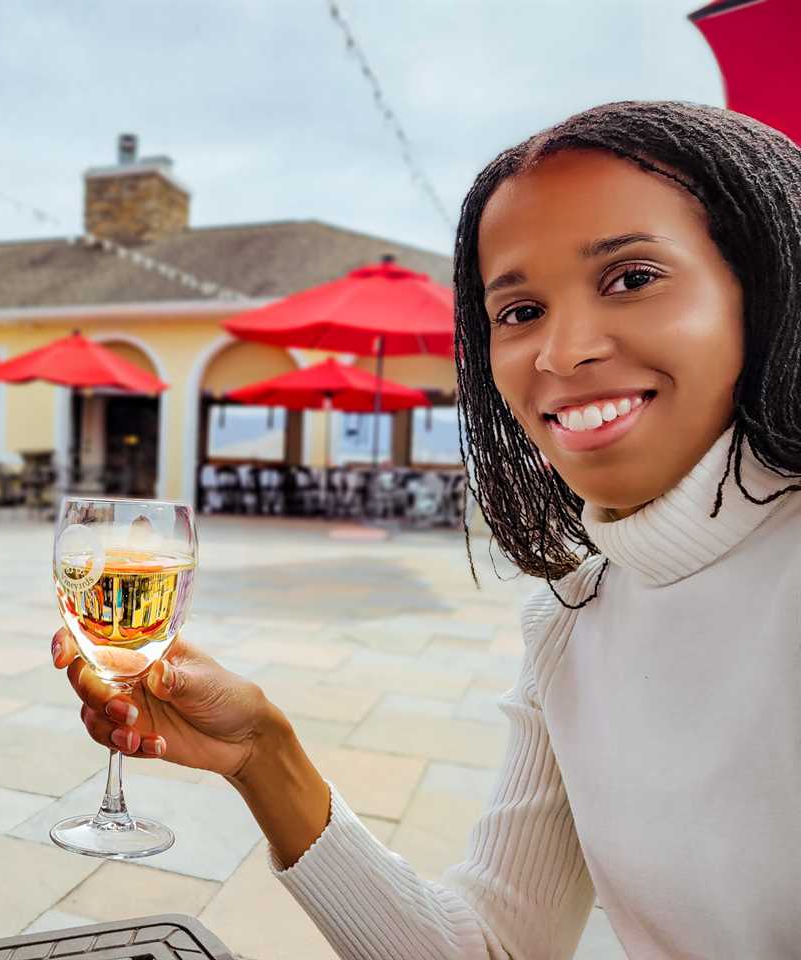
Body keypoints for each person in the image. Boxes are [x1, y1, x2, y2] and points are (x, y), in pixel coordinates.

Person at [53, 100, 801, 958]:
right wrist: (262, 753)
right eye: (518, 311)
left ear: (766, 286)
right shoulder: (571, 619)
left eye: (631, 278)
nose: (562, 352)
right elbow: (491, 948)